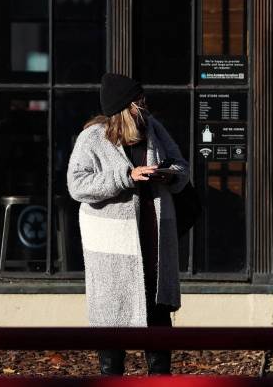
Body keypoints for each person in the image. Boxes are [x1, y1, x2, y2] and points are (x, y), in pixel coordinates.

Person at [67, 73, 189, 376]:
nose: (145, 106)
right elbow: (77, 184)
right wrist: (127, 177)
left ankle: (160, 381)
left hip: (153, 237)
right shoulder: (93, 137)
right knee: (112, 321)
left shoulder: (154, 130)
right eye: (139, 101)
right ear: (126, 105)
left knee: (158, 317)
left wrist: (169, 175)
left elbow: (182, 166)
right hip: (114, 248)